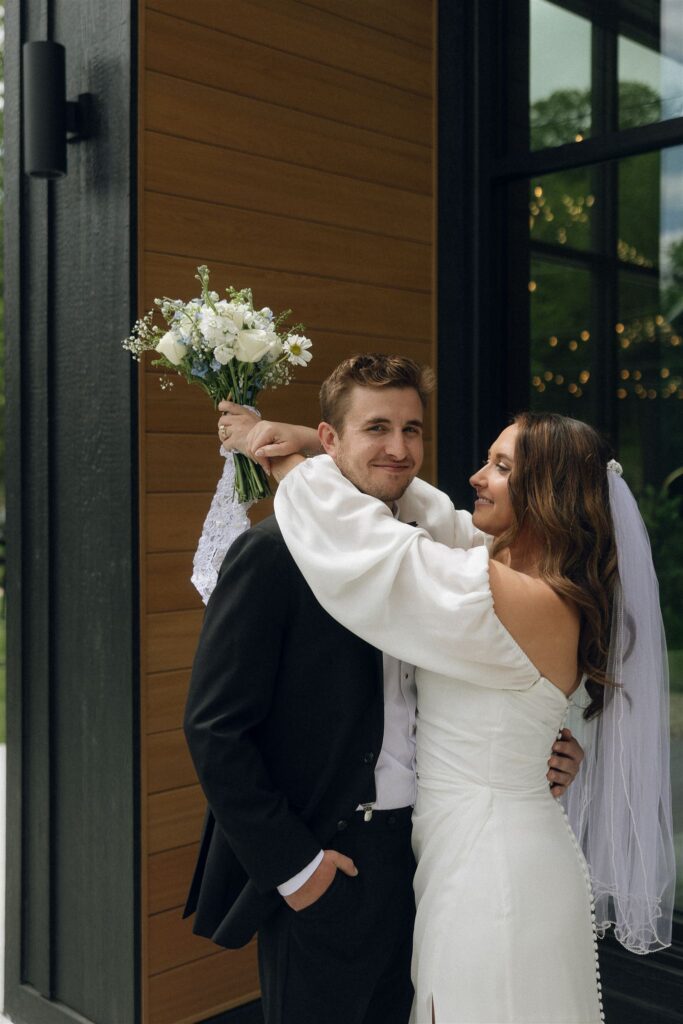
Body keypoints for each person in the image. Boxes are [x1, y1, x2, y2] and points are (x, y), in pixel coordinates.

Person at [222, 401, 674, 1024]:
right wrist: (320, 440)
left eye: (501, 467)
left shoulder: (525, 598)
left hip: (495, 874)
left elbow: (383, 548)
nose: (476, 478)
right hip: (465, 856)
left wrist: (295, 466)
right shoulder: (512, 568)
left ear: (548, 494)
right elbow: (430, 514)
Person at [184, 355, 585, 1024]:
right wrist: (297, 869)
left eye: (412, 429)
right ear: (331, 437)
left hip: (432, 857)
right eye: (376, 428)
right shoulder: (270, 555)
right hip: (329, 861)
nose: (399, 449)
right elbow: (214, 729)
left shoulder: (443, 555)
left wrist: (542, 742)